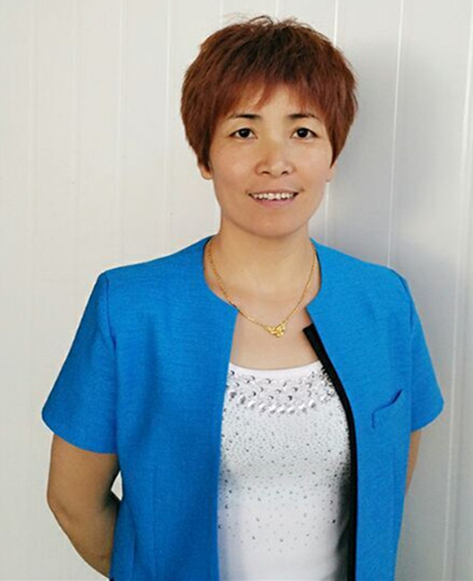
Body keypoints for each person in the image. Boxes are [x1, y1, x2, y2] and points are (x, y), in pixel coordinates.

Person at [42, 14, 445, 581]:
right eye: (243, 131)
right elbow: (73, 502)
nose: (275, 161)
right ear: (204, 156)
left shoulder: (384, 302)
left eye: (303, 132)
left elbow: (390, 482)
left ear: (333, 156)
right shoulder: (129, 307)